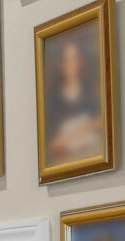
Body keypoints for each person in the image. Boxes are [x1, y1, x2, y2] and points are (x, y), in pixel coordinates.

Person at [43, 29, 104, 169]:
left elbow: (102, 122)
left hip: (91, 155)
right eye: (67, 60)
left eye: (75, 59)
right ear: (61, 65)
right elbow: (53, 142)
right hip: (65, 161)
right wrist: (86, 128)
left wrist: (74, 133)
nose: (72, 64)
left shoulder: (90, 92)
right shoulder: (53, 101)